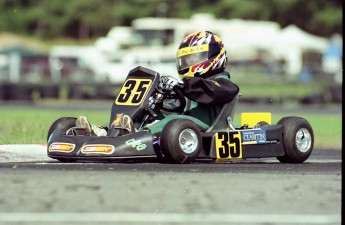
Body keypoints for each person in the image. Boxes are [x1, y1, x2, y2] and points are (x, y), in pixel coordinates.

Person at [76, 31, 239, 136]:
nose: (188, 63)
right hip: (181, 123)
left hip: (204, 127)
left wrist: (181, 86)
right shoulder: (194, 85)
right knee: (145, 115)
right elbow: (183, 99)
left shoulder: (223, 84)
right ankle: (104, 131)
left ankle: (136, 135)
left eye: (193, 59)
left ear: (213, 56)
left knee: (171, 122)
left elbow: (208, 92)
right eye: (185, 59)